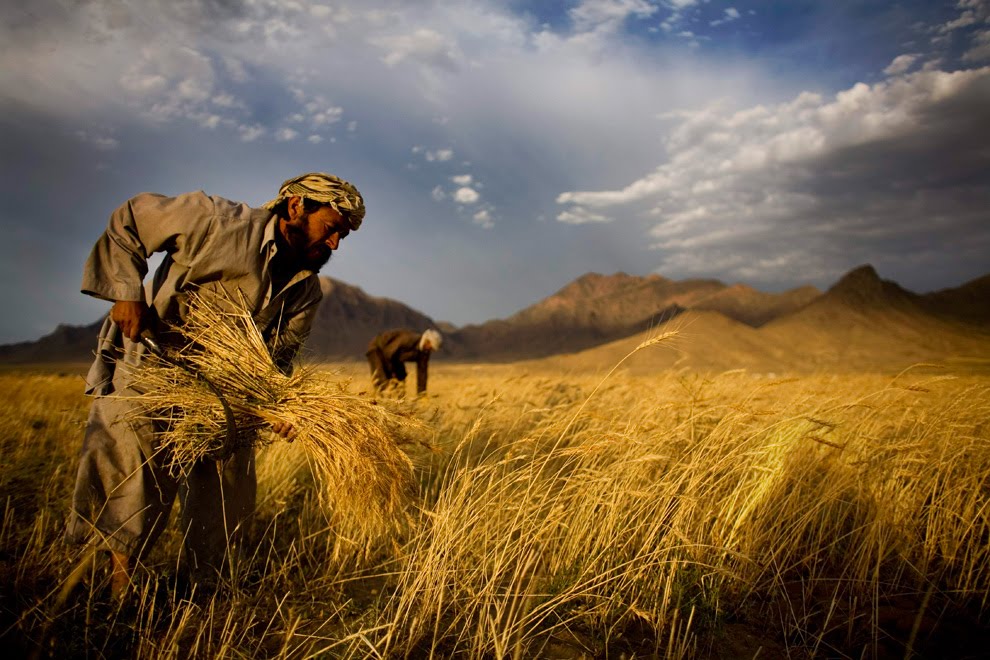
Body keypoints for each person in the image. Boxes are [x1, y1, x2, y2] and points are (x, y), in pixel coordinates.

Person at [66, 172, 365, 597]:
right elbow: (131, 219)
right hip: (152, 369)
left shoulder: (305, 291)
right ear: (297, 207)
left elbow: (276, 361)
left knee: (228, 491)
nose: (334, 244)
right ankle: (117, 589)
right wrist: (126, 293)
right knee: (131, 476)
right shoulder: (216, 221)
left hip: (227, 394)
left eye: (343, 236)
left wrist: (278, 407)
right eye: (331, 229)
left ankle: (203, 586)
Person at [366, 328, 442, 397]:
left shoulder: (424, 352)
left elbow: (422, 372)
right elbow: (388, 353)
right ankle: (379, 404)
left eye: (432, 349)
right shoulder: (409, 339)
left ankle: (398, 403)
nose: (430, 350)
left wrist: (421, 395)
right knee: (382, 380)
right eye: (431, 347)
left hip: (395, 358)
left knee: (401, 378)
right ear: (427, 340)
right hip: (378, 350)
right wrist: (392, 374)